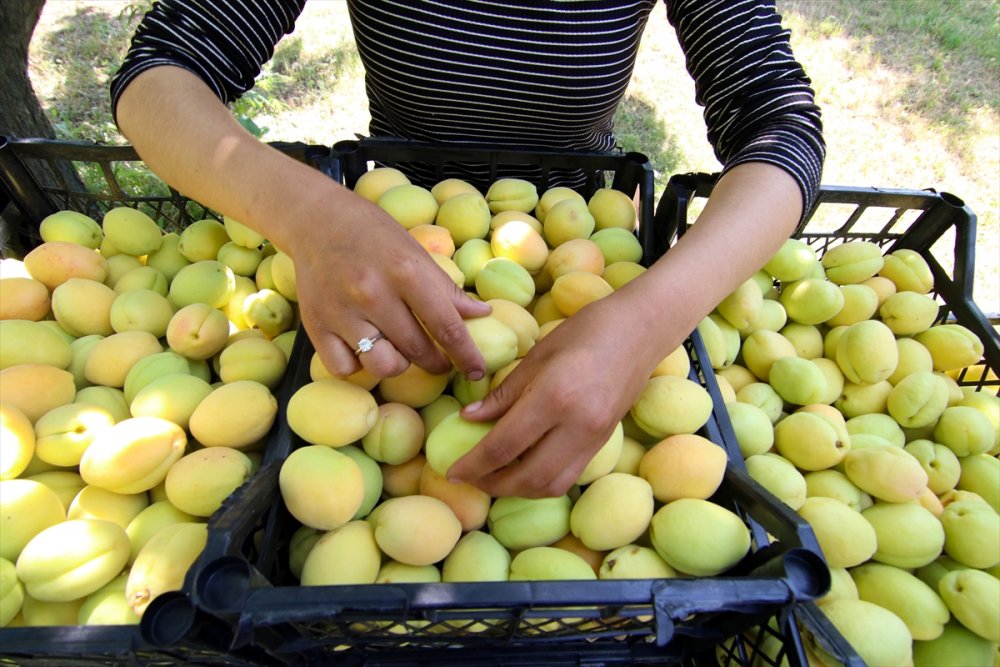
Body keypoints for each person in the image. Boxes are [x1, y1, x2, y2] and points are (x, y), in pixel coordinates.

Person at [111, 0, 824, 499]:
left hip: (576, 235)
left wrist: (647, 322)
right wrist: (307, 214)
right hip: (378, 239)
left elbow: (780, 123)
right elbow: (162, 71)